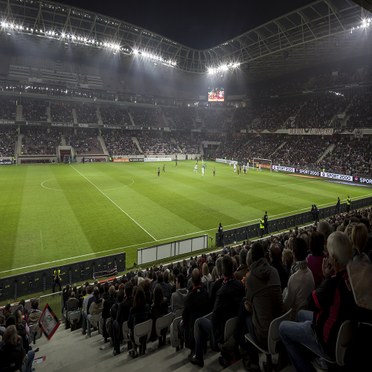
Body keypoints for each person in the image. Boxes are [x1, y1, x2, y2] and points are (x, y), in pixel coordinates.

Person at [279, 231, 357, 372]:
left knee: (282, 328)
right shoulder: (351, 276)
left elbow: (311, 302)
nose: (326, 256)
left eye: (328, 253)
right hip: (338, 330)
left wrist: (326, 276)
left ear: (334, 258)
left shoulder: (332, 284)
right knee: (301, 314)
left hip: (325, 337)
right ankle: (307, 352)